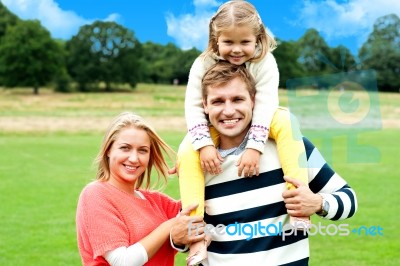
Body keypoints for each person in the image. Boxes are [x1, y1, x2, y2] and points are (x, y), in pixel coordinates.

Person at [175, 61, 358, 265]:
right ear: (205, 105)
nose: (228, 111)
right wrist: (177, 238)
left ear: (253, 101)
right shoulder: (198, 160)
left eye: (237, 99)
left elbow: (349, 200)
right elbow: (186, 231)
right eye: (218, 101)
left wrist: (318, 203)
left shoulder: (293, 147)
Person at [179, 1, 309, 264]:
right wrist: (203, 145)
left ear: (258, 38)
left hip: (260, 120)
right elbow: (193, 107)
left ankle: (298, 204)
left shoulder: (265, 63)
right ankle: (196, 235)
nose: (236, 50)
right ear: (215, 40)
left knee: (285, 121)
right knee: (186, 150)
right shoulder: (202, 64)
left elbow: (265, 106)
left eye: (245, 42)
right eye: (228, 42)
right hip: (213, 127)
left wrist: (254, 147)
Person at [75, 112, 205, 266]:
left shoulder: (157, 202)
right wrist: (169, 225)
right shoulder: (96, 194)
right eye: (125, 148)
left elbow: (202, 210)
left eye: (142, 150)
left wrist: (190, 165)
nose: (134, 158)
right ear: (108, 150)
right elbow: (122, 262)